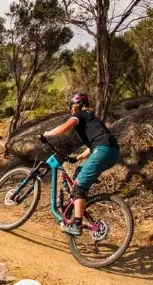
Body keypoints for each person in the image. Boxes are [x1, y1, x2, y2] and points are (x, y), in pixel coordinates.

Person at [41, 92, 121, 236]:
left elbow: (65, 128)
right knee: (79, 171)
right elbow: (92, 147)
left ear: (76, 106)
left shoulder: (79, 115)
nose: (71, 110)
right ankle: (80, 199)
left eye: (72, 107)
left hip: (102, 150)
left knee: (78, 186)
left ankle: (77, 224)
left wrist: (47, 134)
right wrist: (77, 158)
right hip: (113, 153)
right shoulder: (93, 120)